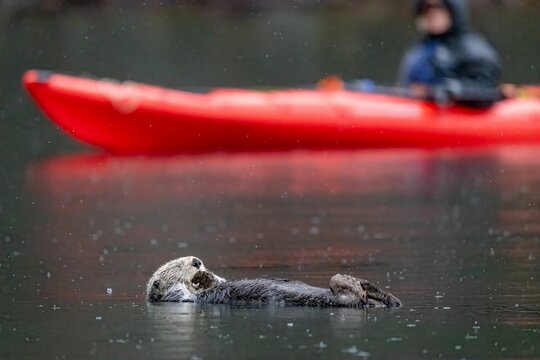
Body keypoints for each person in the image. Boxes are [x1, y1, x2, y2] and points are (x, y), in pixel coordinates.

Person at [398, 0, 503, 107]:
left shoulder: (473, 49)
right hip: (414, 111)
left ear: (454, 10)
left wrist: (451, 90)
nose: (432, 13)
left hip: (455, 114)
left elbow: (485, 89)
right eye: (426, 8)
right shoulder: (419, 51)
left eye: (439, 7)